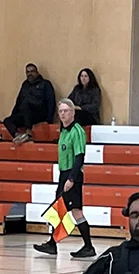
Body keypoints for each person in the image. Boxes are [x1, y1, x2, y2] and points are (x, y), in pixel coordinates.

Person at [34, 99, 95, 258]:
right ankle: (53, 244)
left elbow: (79, 157)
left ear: (73, 112)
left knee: (74, 211)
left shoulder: (77, 131)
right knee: (60, 209)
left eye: (66, 111)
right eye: (60, 111)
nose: (62, 114)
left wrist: (71, 179)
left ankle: (88, 246)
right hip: (64, 174)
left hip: (72, 175)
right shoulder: (63, 131)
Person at [2, 63, 55, 146]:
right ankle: (19, 136)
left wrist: (49, 120)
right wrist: (13, 116)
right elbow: (18, 101)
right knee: (7, 120)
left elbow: (51, 102)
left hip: (39, 114)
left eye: (32, 71)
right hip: (26, 115)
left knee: (27, 102)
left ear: (37, 72)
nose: (30, 74)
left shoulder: (45, 84)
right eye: (27, 72)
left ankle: (29, 132)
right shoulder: (25, 85)